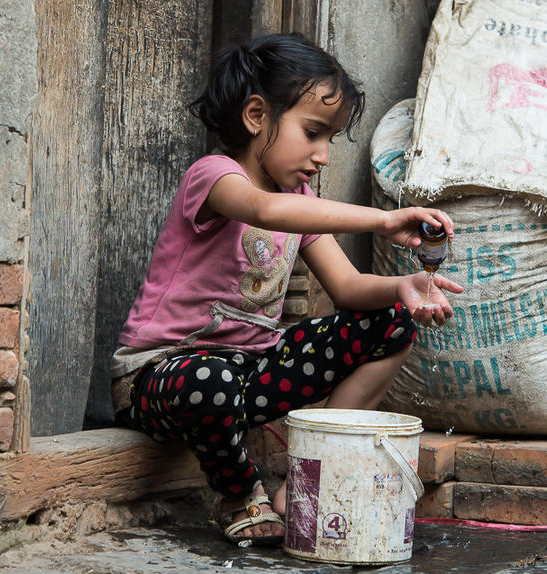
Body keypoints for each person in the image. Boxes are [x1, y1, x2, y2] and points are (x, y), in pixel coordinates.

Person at [111, 32, 463, 546]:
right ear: (257, 116)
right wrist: (384, 221)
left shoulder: (297, 198)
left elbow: (348, 287)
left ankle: (308, 471)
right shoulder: (213, 176)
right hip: (163, 378)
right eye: (313, 132)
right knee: (211, 379)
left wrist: (405, 285)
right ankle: (241, 495)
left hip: (250, 375)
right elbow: (265, 210)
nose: (322, 156)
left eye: (330, 140)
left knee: (392, 321)